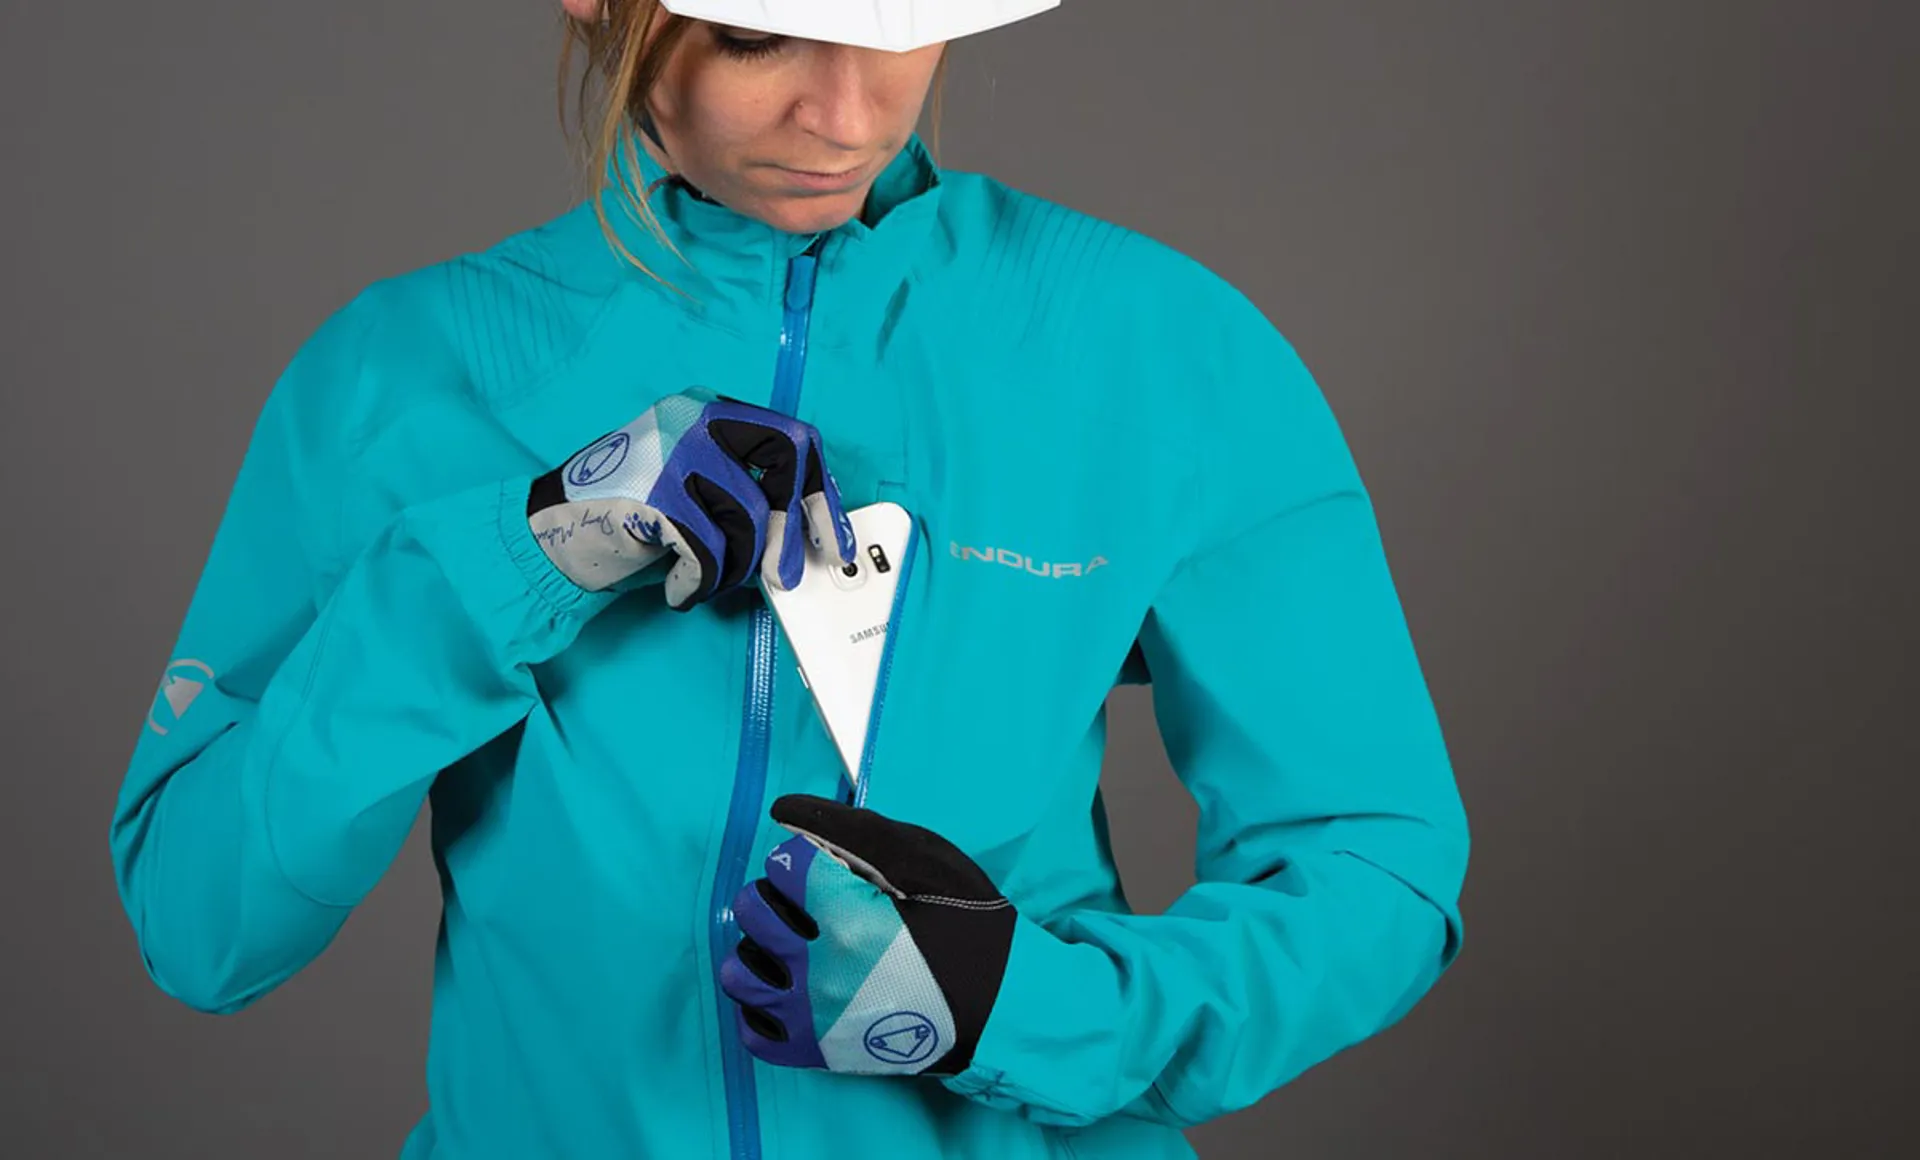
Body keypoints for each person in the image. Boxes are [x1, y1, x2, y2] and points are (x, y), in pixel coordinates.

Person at [109, 1, 1471, 1156]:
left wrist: (1019, 1011)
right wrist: (518, 554)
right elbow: (200, 924)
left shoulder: (1161, 350)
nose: (846, 116)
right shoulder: (403, 372)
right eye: (761, 41)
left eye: (903, 28)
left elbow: (1374, 867)